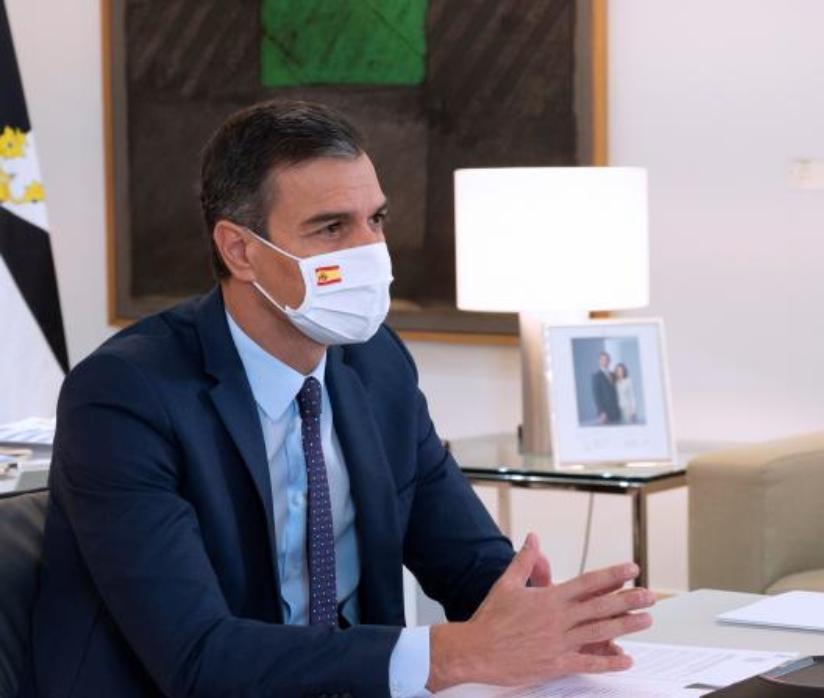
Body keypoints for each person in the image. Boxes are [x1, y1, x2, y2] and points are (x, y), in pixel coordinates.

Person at [25, 101, 654, 698]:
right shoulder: (124, 398)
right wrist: (451, 654)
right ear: (240, 249)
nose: (368, 252)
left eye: (374, 220)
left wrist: (545, 616)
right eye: (331, 227)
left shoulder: (376, 365)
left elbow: (467, 563)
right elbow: (197, 658)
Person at [591, 351, 622, 425]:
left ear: (609, 361)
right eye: (603, 359)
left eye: (607, 359)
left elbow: (617, 392)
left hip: (616, 411)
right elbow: (596, 396)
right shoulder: (596, 376)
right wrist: (602, 412)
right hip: (605, 413)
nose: (605, 361)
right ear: (599, 361)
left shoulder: (612, 374)